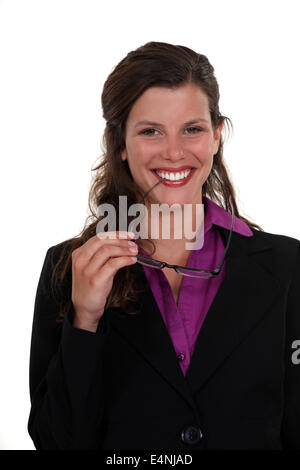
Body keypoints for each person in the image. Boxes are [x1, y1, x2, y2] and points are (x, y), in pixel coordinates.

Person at [28, 41, 300, 450]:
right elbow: (57, 442)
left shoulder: (287, 265)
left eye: (192, 129)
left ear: (216, 137)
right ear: (119, 143)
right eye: (151, 131)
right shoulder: (67, 267)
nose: (174, 152)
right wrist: (84, 319)